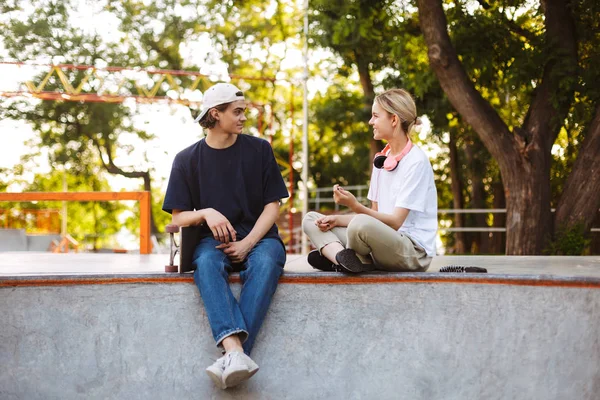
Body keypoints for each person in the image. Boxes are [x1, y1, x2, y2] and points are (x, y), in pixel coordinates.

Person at [162, 83, 289, 389]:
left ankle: (234, 354)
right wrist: (206, 212)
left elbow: (273, 206)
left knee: (266, 263)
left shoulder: (260, 150)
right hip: (211, 242)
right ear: (215, 114)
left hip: (260, 238)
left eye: (243, 110)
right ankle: (236, 352)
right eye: (237, 111)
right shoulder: (186, 159)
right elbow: (177, 218)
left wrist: (248, 243)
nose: (244, 117)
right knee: (204, 262)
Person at [302, 88, 437, 273]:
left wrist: (355, 206)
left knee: (359, 224)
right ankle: (342, 259)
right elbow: (375, 216)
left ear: (394, 120)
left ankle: (340, 256)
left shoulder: (416, 161)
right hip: (380, 244)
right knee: (311, 219)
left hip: (411, 252)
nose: (370, 121)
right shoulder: (381, 160)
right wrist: (337, 220)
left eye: (375, 116)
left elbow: (394, 222)